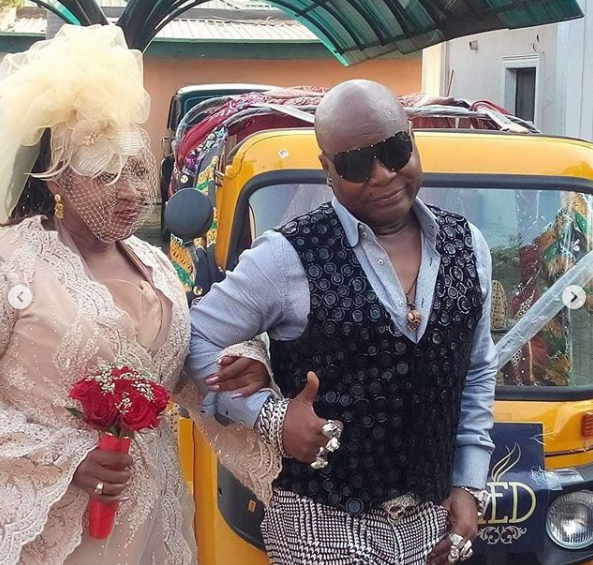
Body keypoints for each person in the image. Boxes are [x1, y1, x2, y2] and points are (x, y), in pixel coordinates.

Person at [187, 79, 498, 565]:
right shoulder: (287, 256)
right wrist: (269, 415)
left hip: (429, 523)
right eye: (356, 164)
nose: (382, 175)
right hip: (320, 523)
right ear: (327, 170)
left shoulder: (467, 245)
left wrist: (469, 482)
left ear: (411, 138)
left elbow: (476, 370)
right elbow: (191, 336)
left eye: (394, 151)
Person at [0, 24, 270, 565]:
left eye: (140, 172)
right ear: (56, 180)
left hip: (152, 520)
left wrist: (245, 361)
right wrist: (65, 458)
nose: (132, 193)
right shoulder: (12, 264)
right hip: (55, 532)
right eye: (107, 176)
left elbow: (184, 371)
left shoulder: (156, 265)